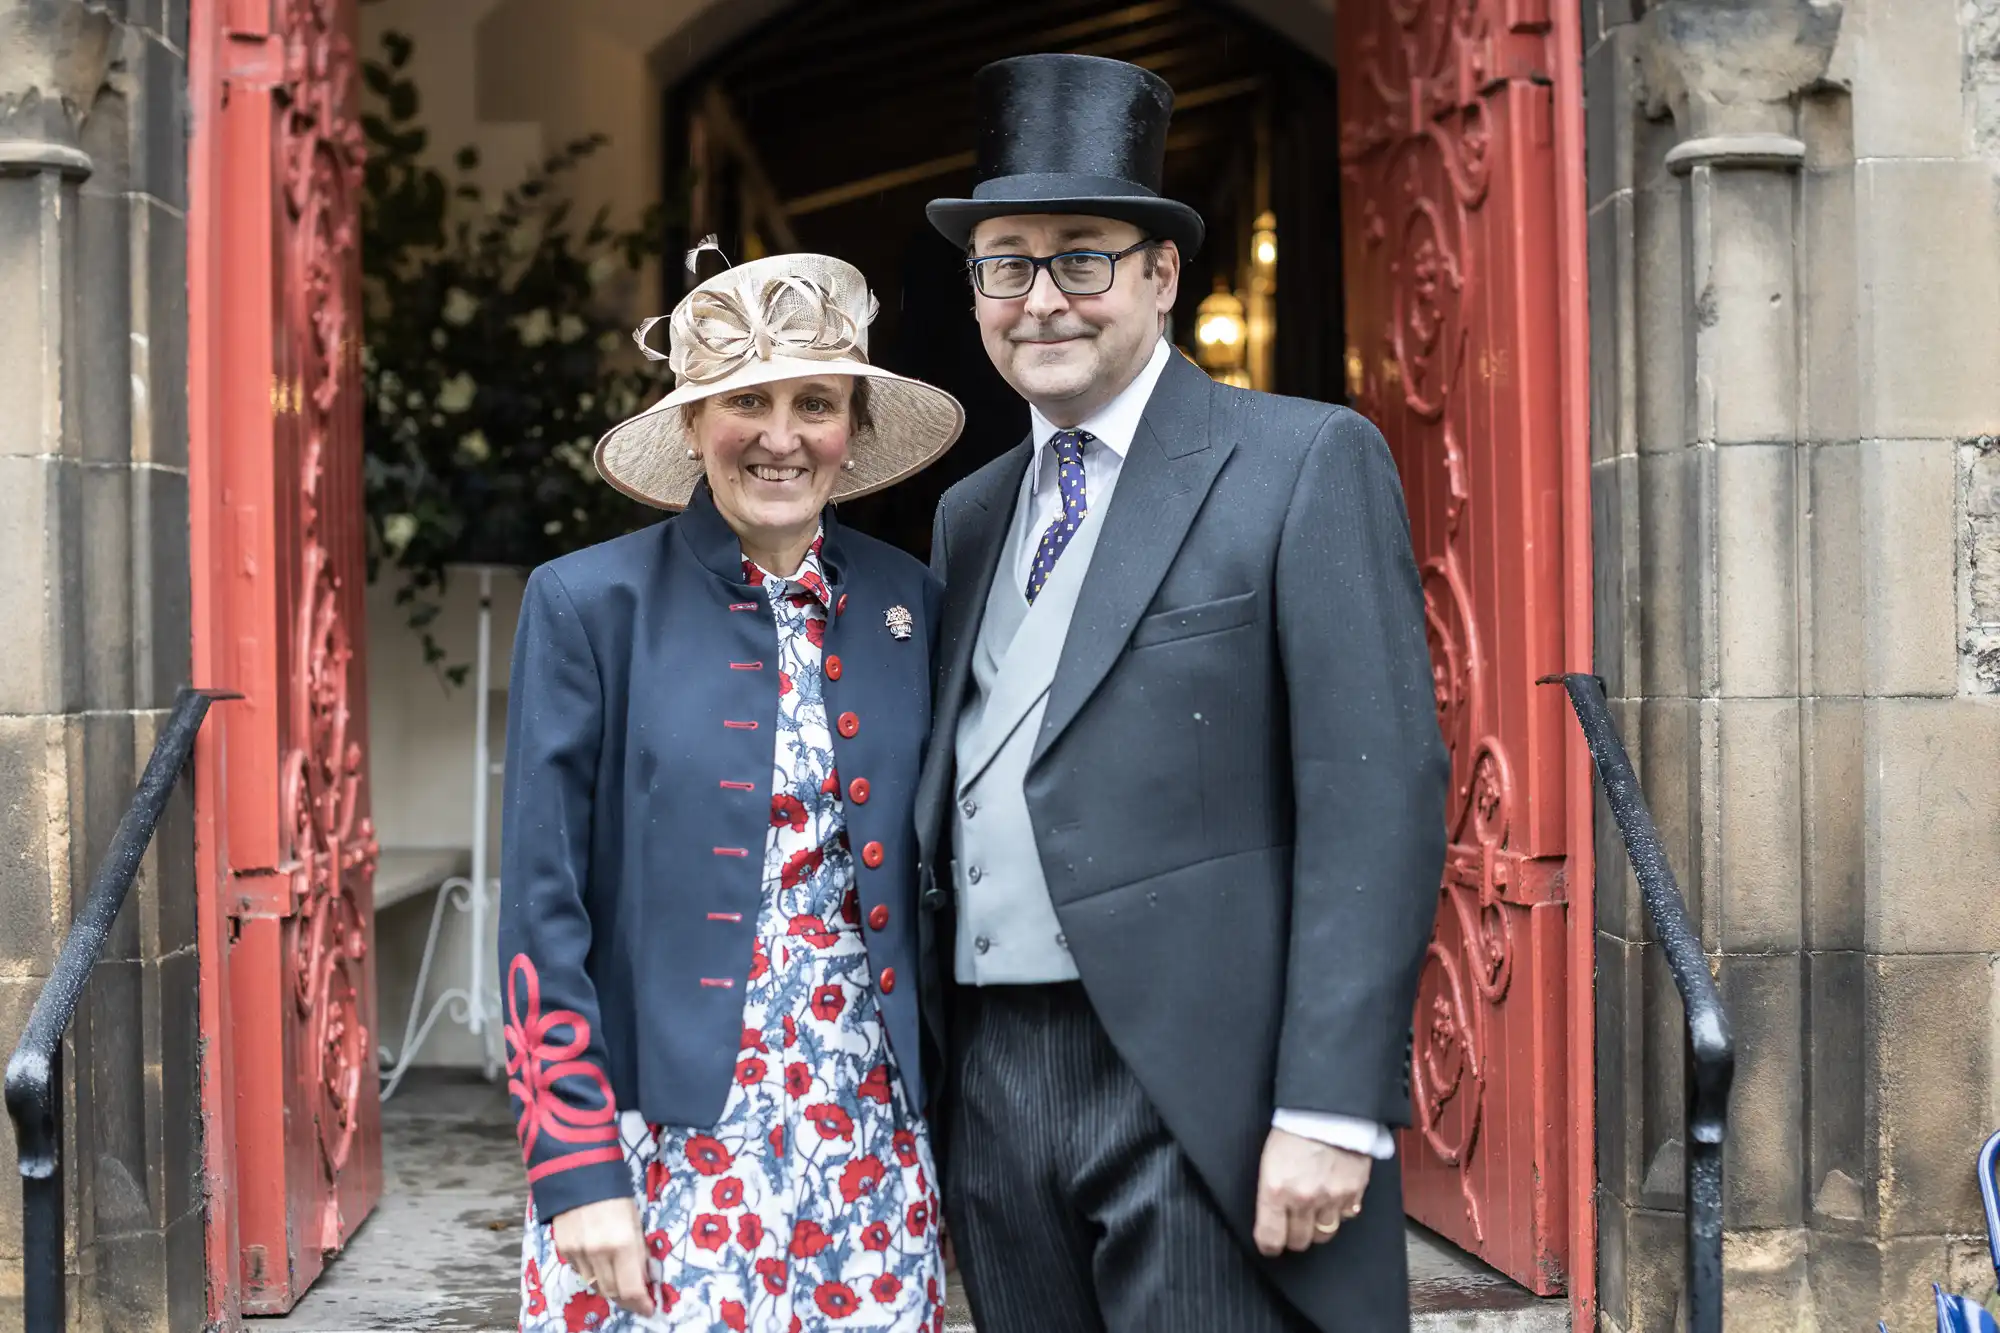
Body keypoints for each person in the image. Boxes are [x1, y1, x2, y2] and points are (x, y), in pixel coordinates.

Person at [914, 54, 1450, 1333]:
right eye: (1005, 262)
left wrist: (1329, 1107)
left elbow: (1371, 798)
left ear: (1161, 276)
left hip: (1201, 1089)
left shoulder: (1300, 460)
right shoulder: (969, 513)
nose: (1039, 299)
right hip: (992, 1077)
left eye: (1081, 256)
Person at [500, 250, 965, 1331]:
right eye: (745, 401)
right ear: (695, 420)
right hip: (656, 1145)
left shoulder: (912, 603)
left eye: (816, 402)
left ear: (851, 428)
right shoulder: (584, 604)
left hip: (867, 1136)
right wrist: (573, 1167)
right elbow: (540, 906)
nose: (780, 434)